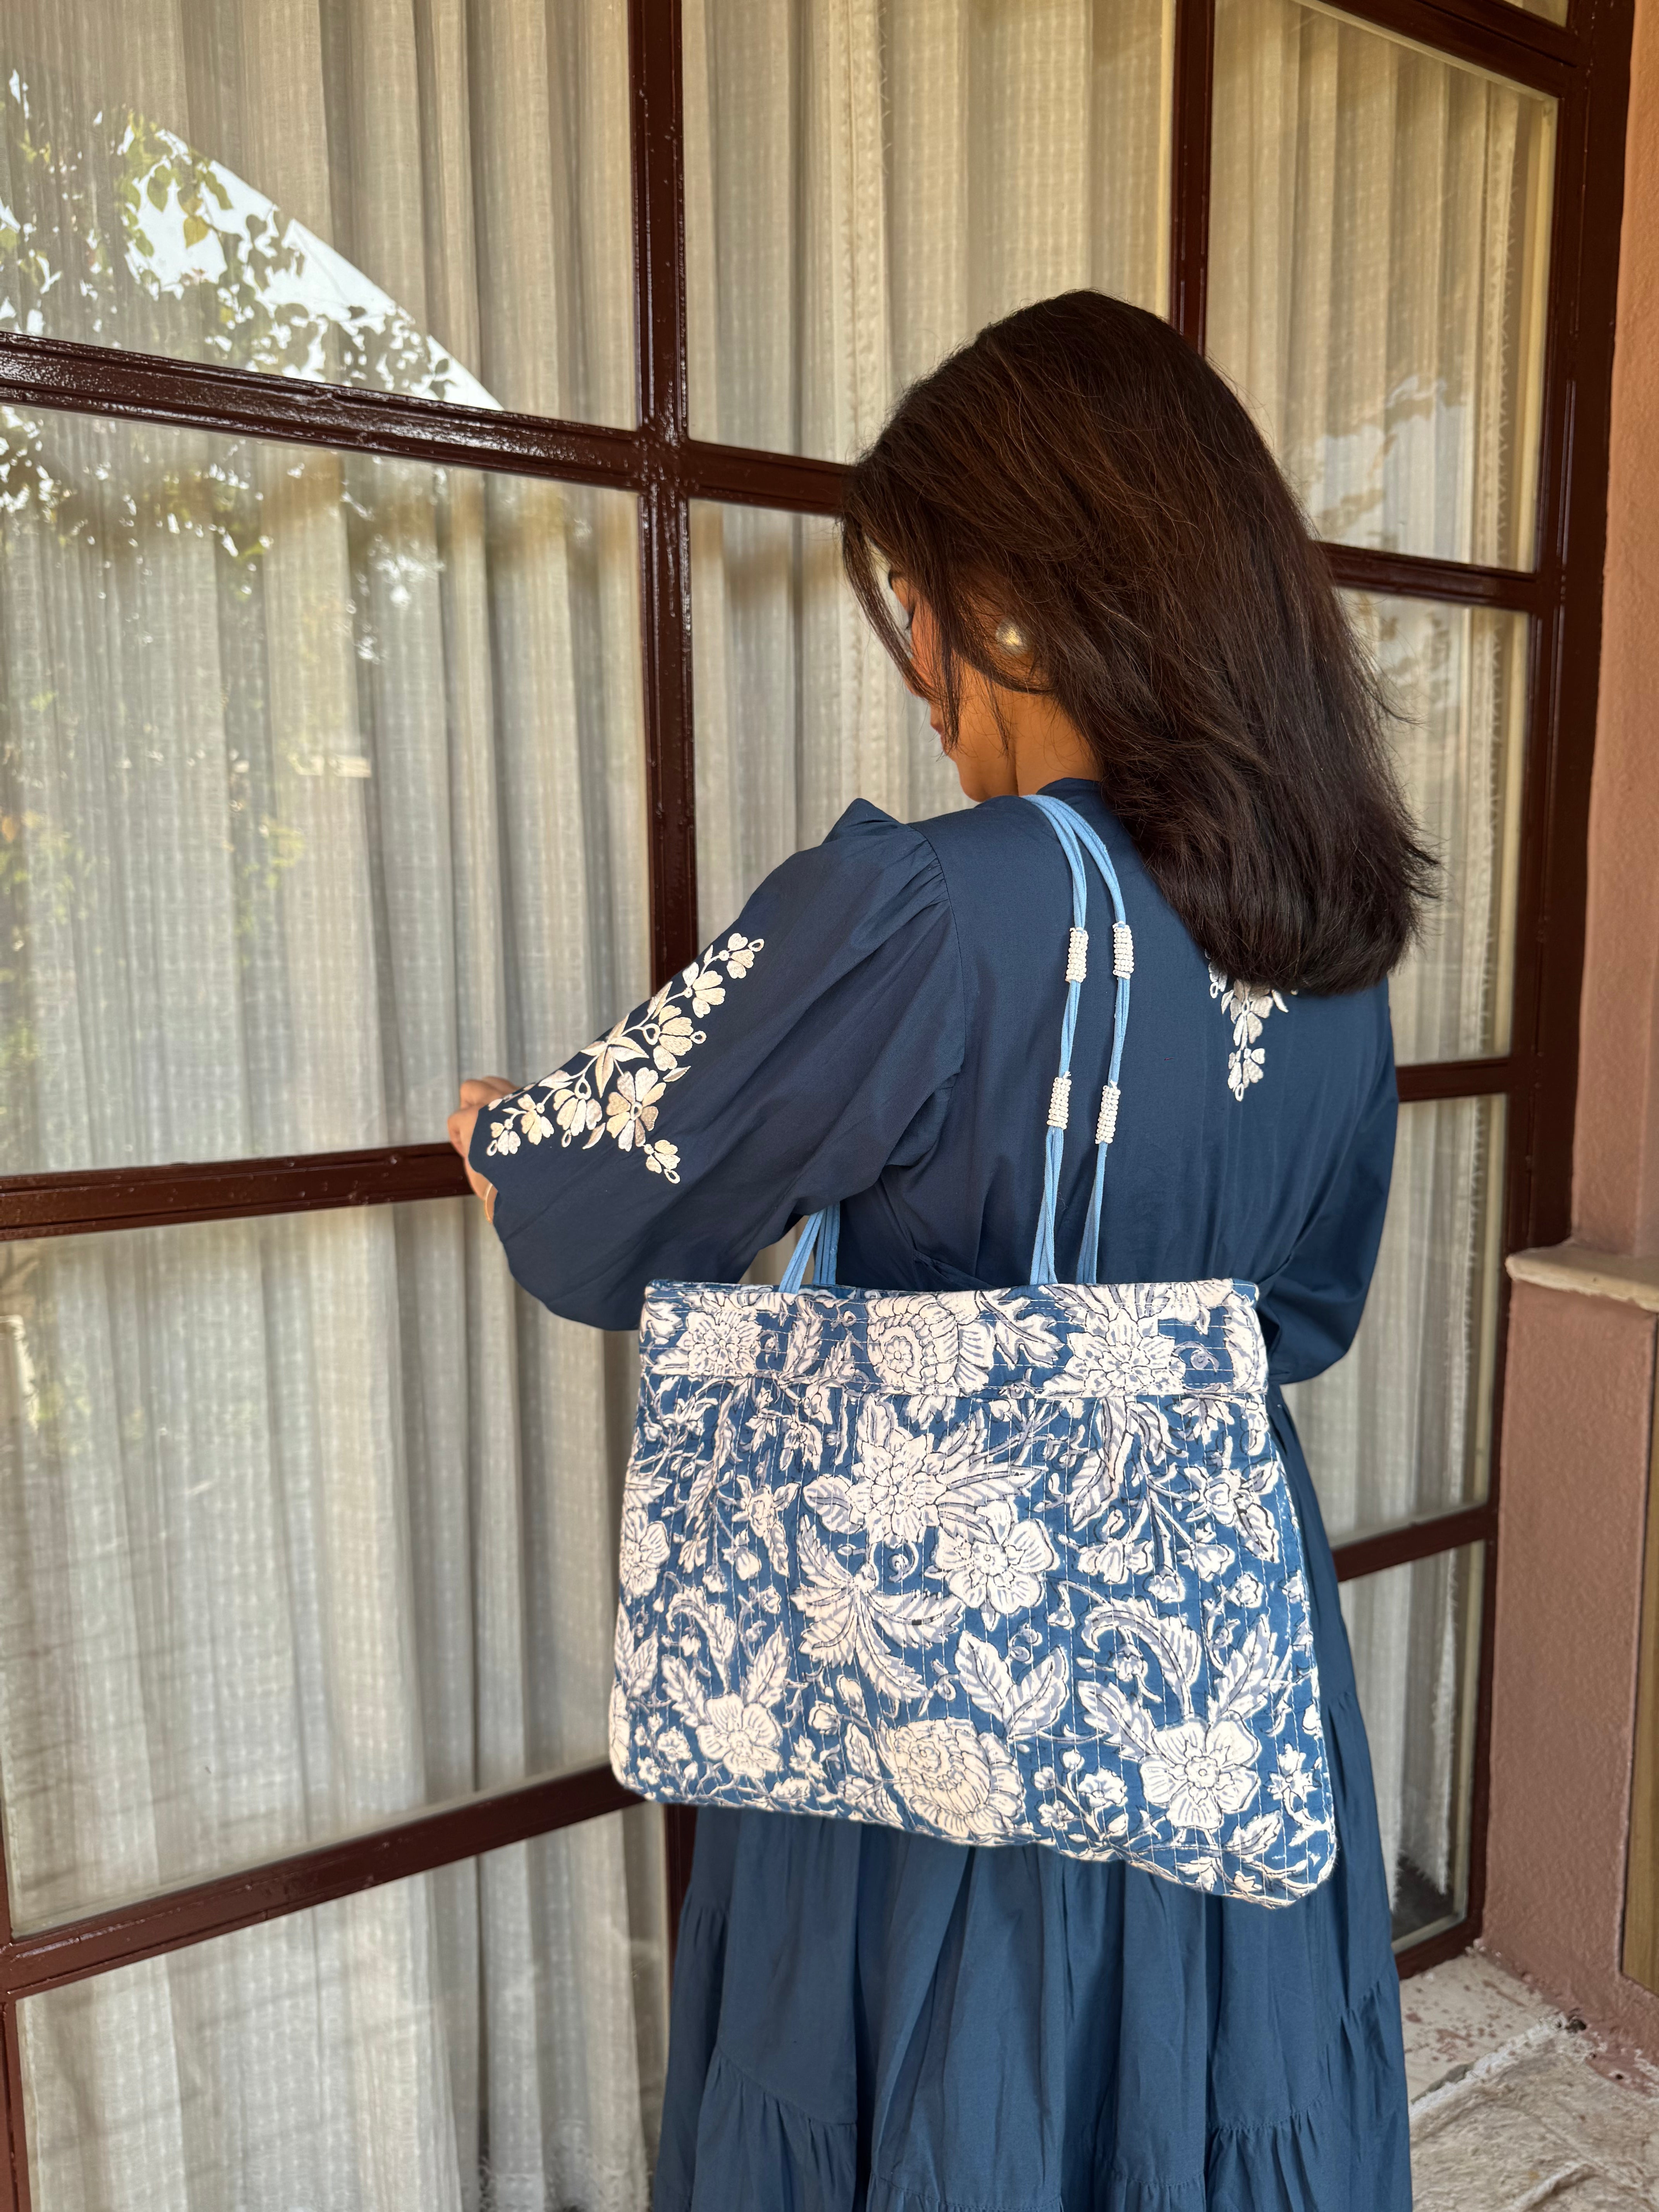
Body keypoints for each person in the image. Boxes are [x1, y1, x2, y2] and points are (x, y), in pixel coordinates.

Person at [447, 290, 1428, 2212]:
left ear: (1020, 603)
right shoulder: (1332, 941)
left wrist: (498, 1136)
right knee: (1202, 2127)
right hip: (1217, 1681)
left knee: (945, 2114)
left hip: (935, 1704)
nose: (916, 668)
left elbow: (599, 1209)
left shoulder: (927, 912)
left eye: (918, 595)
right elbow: (1302, 1318)